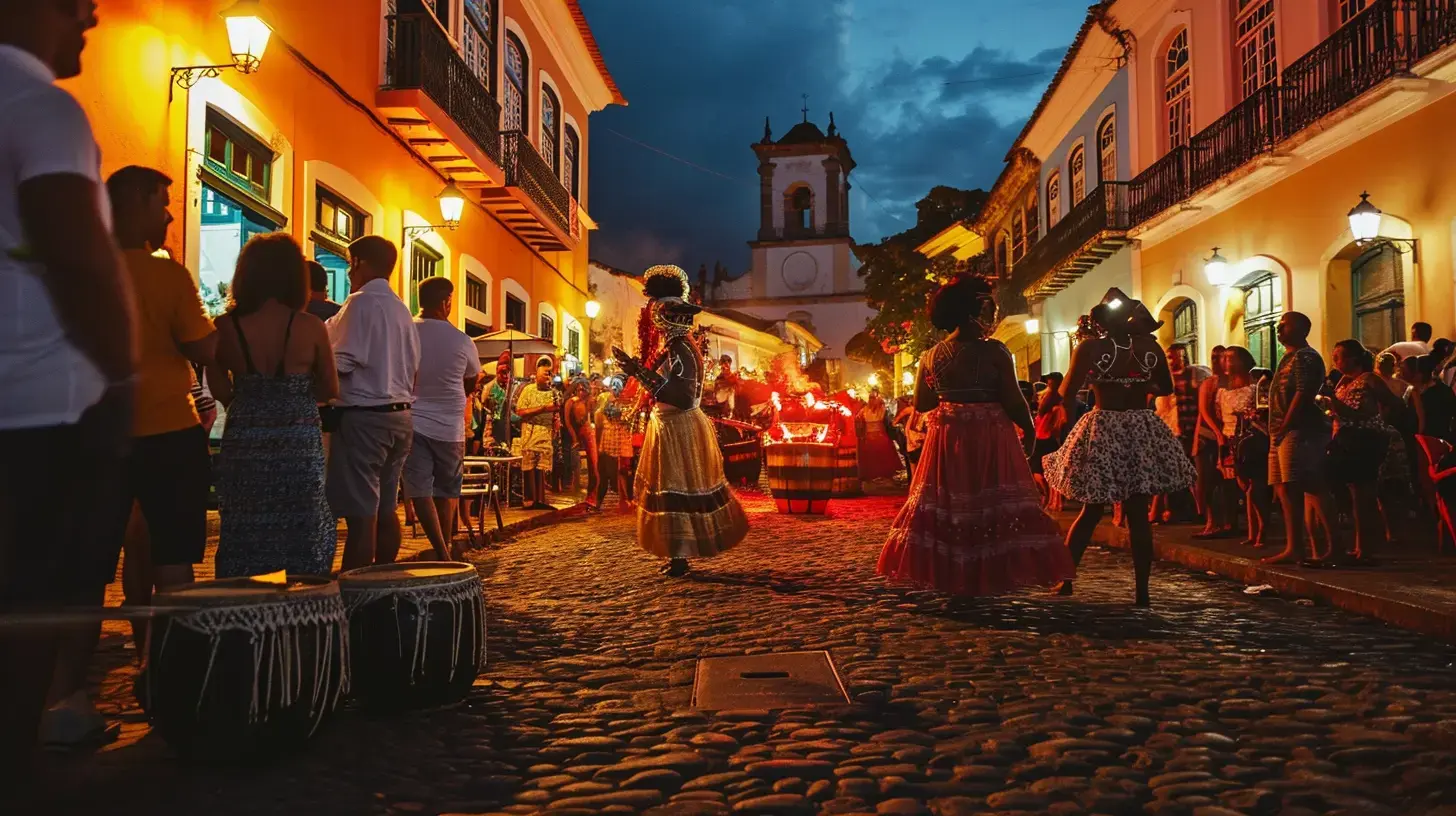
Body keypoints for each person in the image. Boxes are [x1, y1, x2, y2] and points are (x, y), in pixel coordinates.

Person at [0, 0, 137, 769]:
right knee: (32, 602)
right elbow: (78, 254)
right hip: (37, 408)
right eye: (75, 2)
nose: (90, 14)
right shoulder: (41, 106)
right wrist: (119, 375)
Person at [877, 275, 1073, 596]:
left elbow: (923, 403)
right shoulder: (995, 352)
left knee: (951, 505)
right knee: (988, 503)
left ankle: (953, 576)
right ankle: (985, 574)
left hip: (946, 437)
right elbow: (1012, 399)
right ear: (973, 310)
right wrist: (1028, 431)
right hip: (990, 436)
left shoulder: (932, 356)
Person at [1043, 288, 1196, 606]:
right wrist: (1139, 383)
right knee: (1138, 513)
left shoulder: (1090, 348)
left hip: (1105, 426)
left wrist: (1069, 424)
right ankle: (1142, 592)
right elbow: (1165, 387)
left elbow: (1069, 390)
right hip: (1140, 426)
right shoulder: (1148, 347)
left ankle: (1067, 580)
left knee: (1090, 511)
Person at [207, 234, 339, 576]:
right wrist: (298, 395)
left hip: (244, 434)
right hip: (298, 437)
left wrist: (245, 401)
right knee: (304, 520)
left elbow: (218, 385)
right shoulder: (310, 327)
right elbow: (330, 387)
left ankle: (246, 606)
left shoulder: (224, 326)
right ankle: (301, 603)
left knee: (243, 523)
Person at [613, 264, 749, 578]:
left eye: (662, 311)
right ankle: (677, 553)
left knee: (677, 489)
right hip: (667, 424)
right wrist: (637, 371)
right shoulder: (673, 348)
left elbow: (683, 396)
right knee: (668, 489)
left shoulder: (682, 349)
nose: (656, 316)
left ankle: (681, 553)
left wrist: (637, 372)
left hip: (679, 426)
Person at [327, 235, 420, 569]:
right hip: (400, 417)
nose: (349, 272)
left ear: (361, 263)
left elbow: (341, 362)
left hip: (366, 418)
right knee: (385, 508)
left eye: (350, 264)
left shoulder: (361, 302)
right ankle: (383, 580)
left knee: (361, 515)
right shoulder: (402, 310)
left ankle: (357, 592)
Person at [404, 277, 479, 560]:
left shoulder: (407, 331)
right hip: (450, 426)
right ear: (447, 302)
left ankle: (440, 549)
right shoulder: (461, 339)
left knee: (420, 488)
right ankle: (445, 549)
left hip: (413, 421)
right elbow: (471, 379)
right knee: (446, 490)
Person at [1320, 340, 1406, 564]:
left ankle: (1366, 548)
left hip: (1365, 440)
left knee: (1364, 495)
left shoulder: (1369, 379)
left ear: (1353, 359)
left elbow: (1393, 403)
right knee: (1353, 494)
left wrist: (1378, 420)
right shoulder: (1342, 381)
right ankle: (1360, 546)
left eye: (1339, 356)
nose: (1335, 361)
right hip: (1345, 438)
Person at [1263, 312, 1338, 566]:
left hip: (1299, 430)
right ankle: (1294, 547)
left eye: (1284, 325)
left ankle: (1333, 546)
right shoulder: (1288, 356)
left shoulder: (1306, 357)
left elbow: (1303, 394)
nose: (1278, 328)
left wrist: (1286, 425)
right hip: (1281, 431)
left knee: (1307, 484)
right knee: (1284, 488)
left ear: (1300, 329)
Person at [1218, 347, 1271, 548]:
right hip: (1232, 438)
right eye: (1225, 358)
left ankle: (1262, 529)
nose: (1226, 362)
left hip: (1253, 438)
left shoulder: (1256, 387)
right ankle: (1252, 530)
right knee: (1243, 485)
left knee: (1256, 486)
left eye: (1231, 358)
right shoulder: (1223, 391)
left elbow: (1263, 412)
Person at [1194, 346, 1236, 538]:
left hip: (1228, 433)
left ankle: (1230, 521)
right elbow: (1204, 411)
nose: (1215, 361)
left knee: (1228, 480)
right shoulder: (1208, 383)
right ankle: (1210, 520)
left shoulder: (1233, 382)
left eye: (1219, 357)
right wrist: (1217, 433)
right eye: (1213, 357)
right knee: (1206, 479)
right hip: (1206, 434)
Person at [516, 357, 560, 510]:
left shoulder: (553, 393)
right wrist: (542, 409)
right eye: (544, 373)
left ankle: (540, 499)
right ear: (537, 372)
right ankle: (529, 500)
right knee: (529, 469)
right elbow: (520, 411)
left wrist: (556, 421)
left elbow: (556, 412)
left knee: (542, 470)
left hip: (545, 436)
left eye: (549, 373)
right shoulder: (528, 390)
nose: (547, 376)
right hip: (530, 435)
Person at [596, 375, 636, 511]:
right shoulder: (609, 401)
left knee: (622, 470)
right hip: (613, 437)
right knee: (612, 471)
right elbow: (604, 418)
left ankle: (624, 498)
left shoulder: (626, 401)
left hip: (620, 437)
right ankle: (617, 498)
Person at [564, 377, 600, 509]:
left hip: (589, 433)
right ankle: (578, 492)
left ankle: (593, 495)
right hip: (577, 434)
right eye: (578, 389)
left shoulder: (588, 401)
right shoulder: (571, 402)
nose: (581, 392)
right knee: (575, 465)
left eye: (583, 389)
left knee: (594, 465)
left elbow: (592, 415)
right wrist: (574, 438)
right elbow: (568, 422)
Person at [857, 387, 901, 481]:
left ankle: (884, 476)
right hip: (869, 438)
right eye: (870, 398)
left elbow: (889, 423)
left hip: (881, 438)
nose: (872, 400)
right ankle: (873, 476)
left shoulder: (883, 409)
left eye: (874, 398)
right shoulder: (863, 410)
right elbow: (858, 422)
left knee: (883, 459)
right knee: (872, 459)